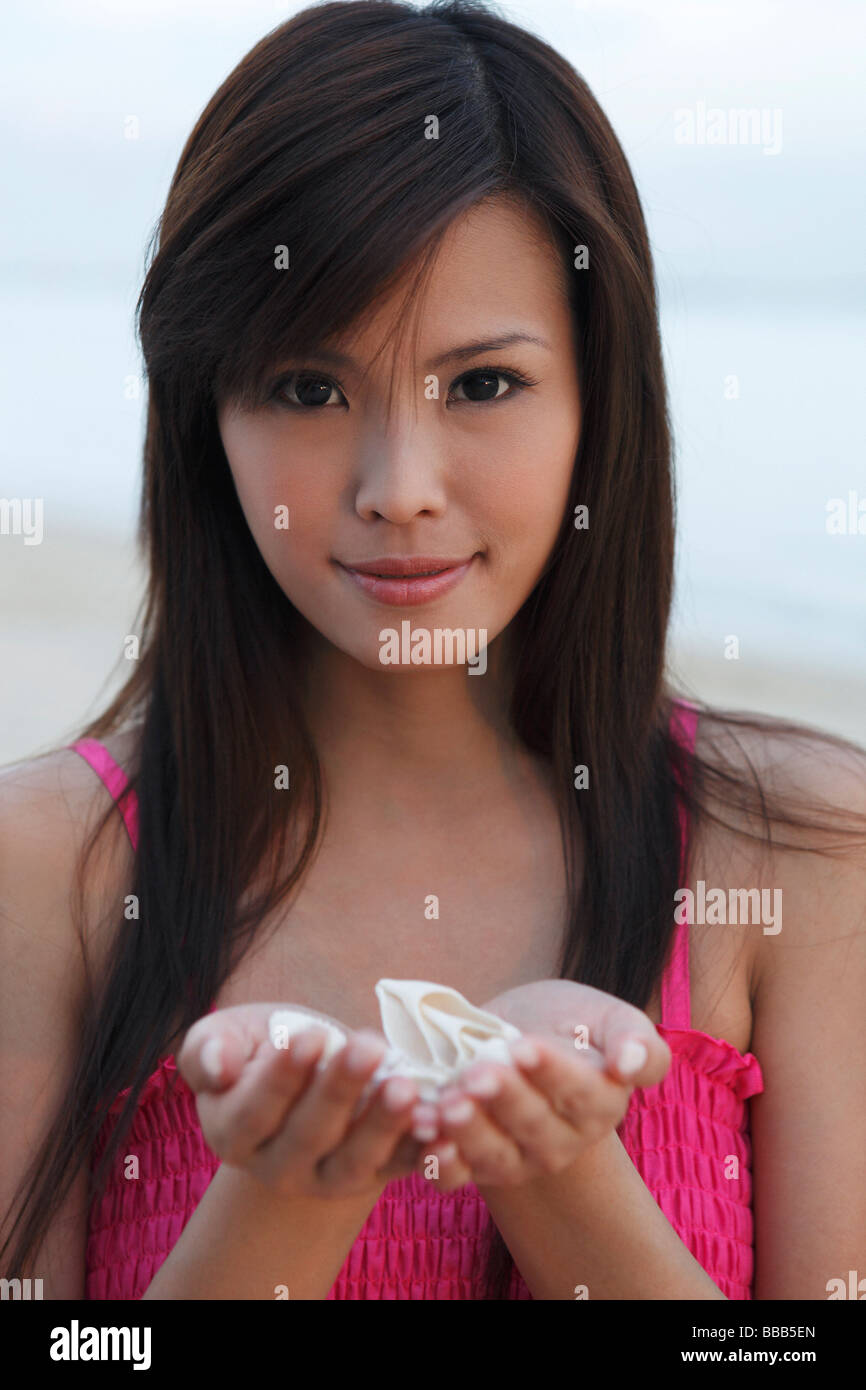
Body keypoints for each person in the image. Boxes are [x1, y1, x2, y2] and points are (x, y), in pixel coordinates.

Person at [2, 0, 864, 1301]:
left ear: (598, 398)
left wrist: (563, 1181)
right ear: (204, 416)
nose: (397, 486)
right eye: (306, 387)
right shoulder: (45, 866)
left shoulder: (802, 845)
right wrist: (285, 1199)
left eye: (480, 385)